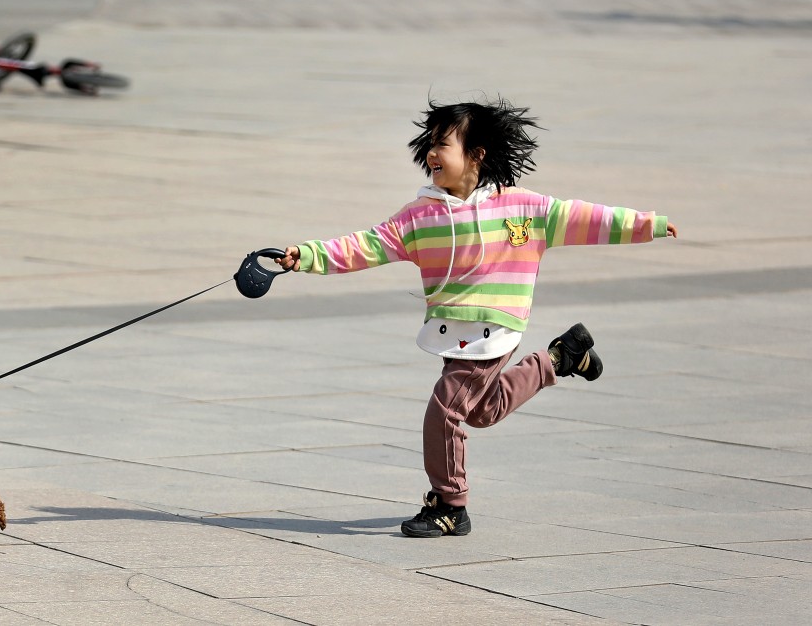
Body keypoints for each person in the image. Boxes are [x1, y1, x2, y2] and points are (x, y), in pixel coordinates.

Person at [275, 98, 678, 538]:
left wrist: (645, 224)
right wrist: (307, 255)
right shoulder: (420, 216)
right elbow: (364, 245)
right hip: (454, 332)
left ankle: (450, 504)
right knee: (483, 411)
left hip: (495, 328)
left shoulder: (523, 209)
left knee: (444, 408)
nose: (431, 153)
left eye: (442, 144)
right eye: (429, 144)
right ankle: (561, 358)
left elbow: (584, 218)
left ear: (476, 154)